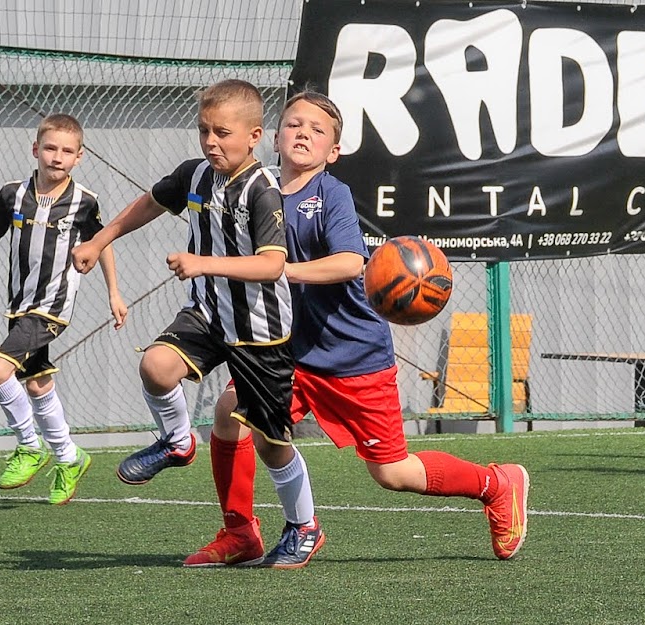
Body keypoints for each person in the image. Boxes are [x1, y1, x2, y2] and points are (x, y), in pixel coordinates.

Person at [187, 90, 529, 566]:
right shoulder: (253, 189)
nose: (303, 132)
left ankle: (496, 483)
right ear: (272, 136)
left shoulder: (332, 193)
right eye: (294, 124)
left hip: (352, 356)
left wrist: (277, 270)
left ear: (334, 152)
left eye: (317, 129)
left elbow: (350, 263)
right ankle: (241, 532)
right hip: (286, 351)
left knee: (392, 472)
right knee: (231, 415)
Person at [71, 79, 324, 569]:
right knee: (157, 366)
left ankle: (303, 526)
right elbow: (149, 202)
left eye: (222, 133)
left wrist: (202, 263)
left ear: (253, 137)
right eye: (204, 130)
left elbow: (272, 265)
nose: (211, 141)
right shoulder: (195, 175)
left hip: (259, 330)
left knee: (272, 445)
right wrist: (100, 241)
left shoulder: (264, 190)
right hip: (208, 313)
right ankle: (177, 440)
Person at [0, 113, 127, 505]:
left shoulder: (83, 202)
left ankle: (29, 445)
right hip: (20, 305)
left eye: (67, 151)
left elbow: (103, 242)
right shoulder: (13, 194)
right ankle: (69, 456)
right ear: (36, 150)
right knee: (37, 383)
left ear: (79, 156)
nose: (57, 157)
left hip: (53, 306)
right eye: (51, 148)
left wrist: (114, 293)